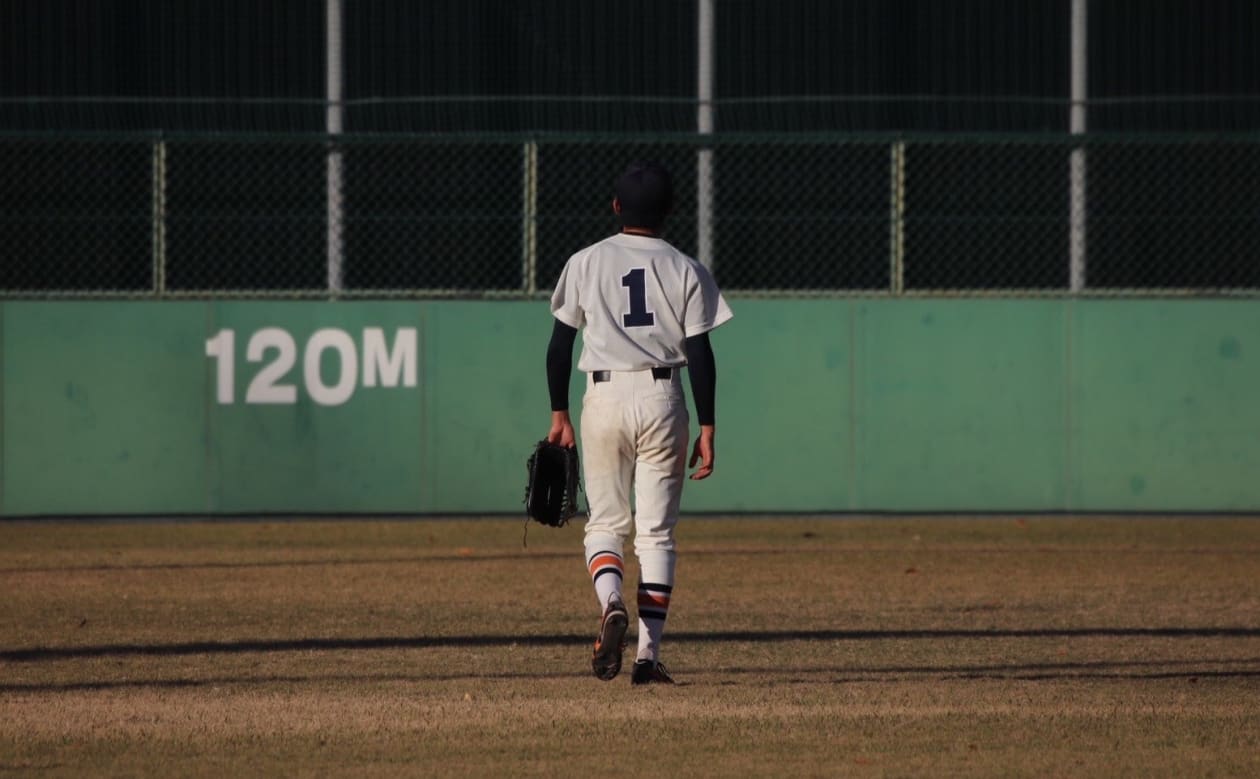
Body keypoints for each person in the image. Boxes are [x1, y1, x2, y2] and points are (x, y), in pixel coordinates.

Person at [544, 160, 733, 685]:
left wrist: (559, 413)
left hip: (602, 396)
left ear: (616, 208)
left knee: (605, 525)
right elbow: (700, 352)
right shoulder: (685, 268)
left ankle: (610, 603)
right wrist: (710, 426)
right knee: (656, 534)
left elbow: (560, 347)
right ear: (671, 211)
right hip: (662, 396)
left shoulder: (585, 261)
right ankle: (647, 657)